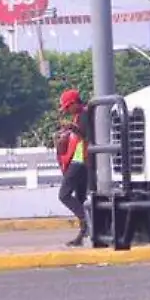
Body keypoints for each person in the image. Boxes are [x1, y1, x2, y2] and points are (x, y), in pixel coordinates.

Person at [55, 89, 92, 247]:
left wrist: (72, 128)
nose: (67, 111)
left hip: (80, 162)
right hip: (81, 161)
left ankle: (89, 221)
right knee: (81, 199)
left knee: (64, 195)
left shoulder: (84, 115)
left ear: (74, 104)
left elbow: (88, 136)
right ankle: (82, 235)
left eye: (68, 107)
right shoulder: (79, 116)